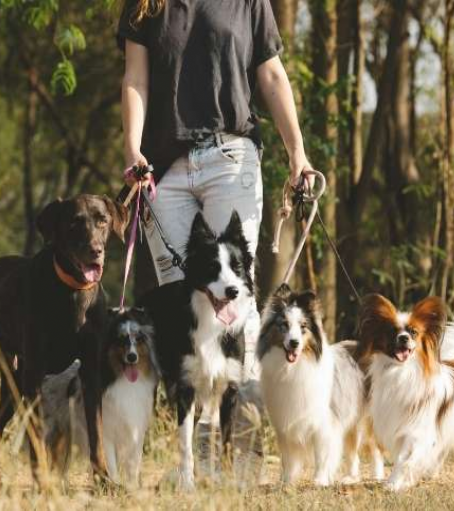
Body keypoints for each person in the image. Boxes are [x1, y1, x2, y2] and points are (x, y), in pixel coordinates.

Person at [118, 0, 311, 480]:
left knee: (237, 314)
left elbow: (270, 75)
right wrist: (133, 150)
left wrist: (298, 155)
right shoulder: (146, 5)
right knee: (184, 319)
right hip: (165, 172)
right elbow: (136, 80)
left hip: (232, 160)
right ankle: (199, 464)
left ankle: (242, 458)